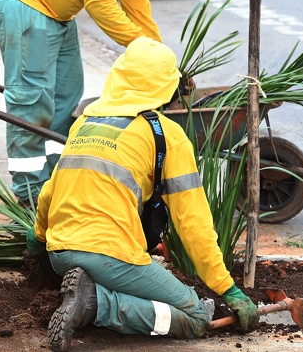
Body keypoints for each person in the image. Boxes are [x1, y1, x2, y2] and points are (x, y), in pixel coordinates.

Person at [27, 37, 260, 351]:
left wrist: (38, 236)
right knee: (194, 317)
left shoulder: (85, 122)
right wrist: (227, 289)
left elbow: (50, 192)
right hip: (109, 257)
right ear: (165, 88)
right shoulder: (167, 135)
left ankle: (87, 289)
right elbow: (194, 226)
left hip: (60, 254)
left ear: (119, 75)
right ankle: (94, 305)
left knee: (125, 276)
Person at [0, 0, 194, 205]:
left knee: (67, 100)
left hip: (58, 14)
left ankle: (53, 185)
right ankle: (29, 196)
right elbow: (99, 1)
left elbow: (140, 17)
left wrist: (165, 65)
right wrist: (141, 49)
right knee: (32, 101)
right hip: (25, 3)